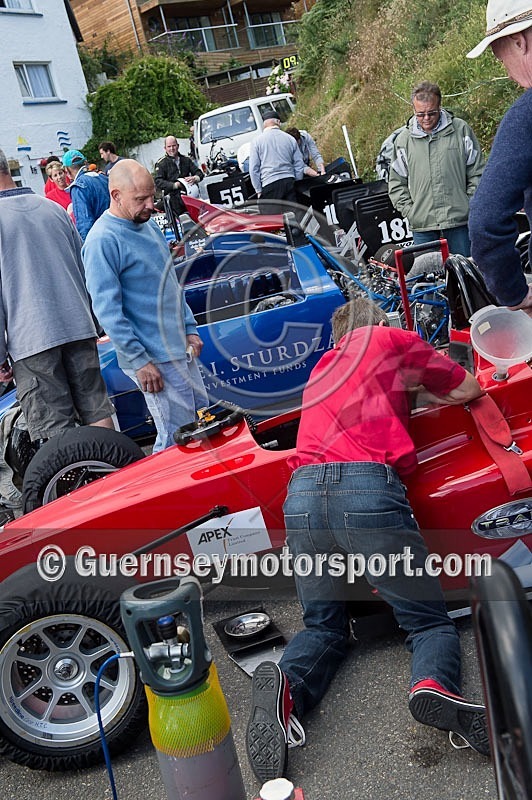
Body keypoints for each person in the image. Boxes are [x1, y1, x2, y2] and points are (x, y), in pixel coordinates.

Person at [246, 296, 489, 783]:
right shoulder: (388, 338)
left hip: (302, 498)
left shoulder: (325, 367)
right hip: (367, 489)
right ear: (379, 324)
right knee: (427, 623)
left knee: (323, 628)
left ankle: (285, 688)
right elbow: (466, 386)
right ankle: (432, 685)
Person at [82, 160, 208, 453]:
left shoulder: (147, 224)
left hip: (177, 348)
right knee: (177, 438)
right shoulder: (102, 240)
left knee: (200, 422)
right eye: (141, 199)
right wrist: (139, 361)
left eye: (152, 196)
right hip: (152, 355)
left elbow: (170, 285)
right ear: (116, 195)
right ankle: (169, 497)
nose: (150, 205)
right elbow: (107, 311)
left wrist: (190, 329)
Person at [0, 147, 115, 445]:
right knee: (96, 407)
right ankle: (119, 478)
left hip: (31, 340)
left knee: (55, 430)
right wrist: (95, 321)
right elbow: (84, 268)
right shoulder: (51, 208)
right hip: (78, 325)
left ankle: (82, 489)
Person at [467, 0, 532, 315]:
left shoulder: (526, 117)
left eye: (499, 54)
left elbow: (486, 223)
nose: (505, 70)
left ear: (520, 41)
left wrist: (514, 293)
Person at [388, 81, 484, 256]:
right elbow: (396, 184)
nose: (426, 118)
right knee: (428, 280)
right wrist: (412, 212)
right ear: (413, 110)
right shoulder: (403, 141)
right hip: (422, 226)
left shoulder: (461, 130)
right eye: (420, 114)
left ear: (440, 106)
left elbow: (477, 171)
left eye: (431, 113)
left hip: (459, 221)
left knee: (467, 276)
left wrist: (468, 203)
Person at [249, 111, 318, 214]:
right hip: (289, 181)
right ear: (278, 122)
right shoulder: (290, 139)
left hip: (269, 184)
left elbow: (254, 169)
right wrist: (296, 181)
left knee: (273, 221)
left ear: (264, 124)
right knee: (293, 217)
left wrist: (258, 190)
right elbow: (299, 164)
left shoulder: (256, 142)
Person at [62, 149, 110, 242]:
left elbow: (84, 223)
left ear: (66, 170)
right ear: (85, 163)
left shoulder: (78, 187)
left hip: (100, 240)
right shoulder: (103, 178)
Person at [154, 136, 203, 219]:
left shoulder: (186, 160)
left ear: (178, 146)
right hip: (172, 200)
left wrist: (195, 178)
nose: (172, 149)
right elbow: (158, 181)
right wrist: (174, 185)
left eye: (174, 146)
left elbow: (200, 173)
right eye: (169, 146)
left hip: (189, 198)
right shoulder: (161, 163)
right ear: (165, 148)